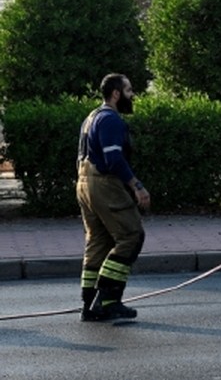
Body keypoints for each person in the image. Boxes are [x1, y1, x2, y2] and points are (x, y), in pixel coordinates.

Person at [76, 73, 149, 322]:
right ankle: (107, 300)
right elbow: (114, 159)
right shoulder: (110, 120)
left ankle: (88, 304)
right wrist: (136, 186)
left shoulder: (91, 117)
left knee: (99, 242)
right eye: (129, 90)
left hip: (84, 183)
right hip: (104, 184)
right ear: (116, 93)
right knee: (131, 235)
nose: (132, 95)